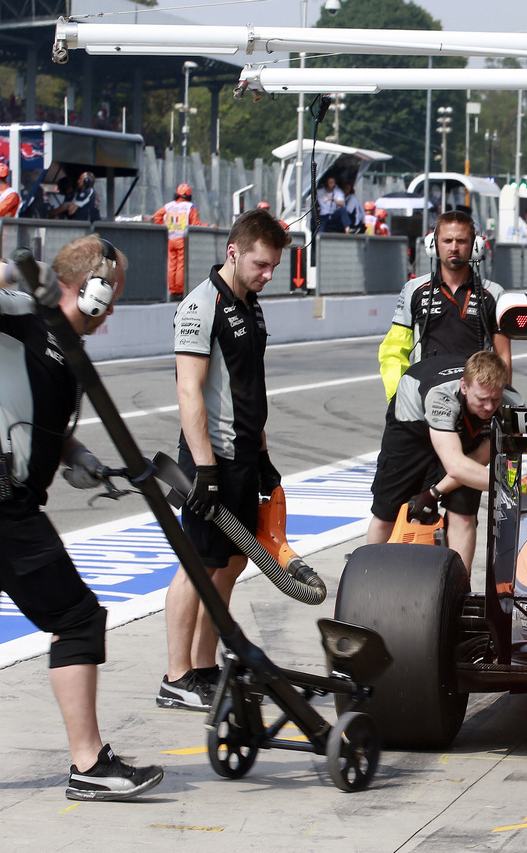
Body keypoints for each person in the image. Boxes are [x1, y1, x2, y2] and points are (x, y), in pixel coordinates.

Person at [0, 235, 164, 800]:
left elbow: (37, 411)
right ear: (92, 289)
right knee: (78, 619)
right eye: (111, 295)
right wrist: (15, 271)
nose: (112, 310)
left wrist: (72, 454)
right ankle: (88, 766)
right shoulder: (21, 313)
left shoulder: (65, 345)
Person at [158, 209, 291, 712]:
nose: (268, 274)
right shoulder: (201, 305)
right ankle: (176, 675)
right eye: (261, 264)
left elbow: (249, 386)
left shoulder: (252, 305)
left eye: (274, 265)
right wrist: (205, 469)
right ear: (233, 252)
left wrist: (262, 453)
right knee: (197, 565)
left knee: (231, 564)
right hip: (207, 460)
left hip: (242, 455)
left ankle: (203, 666)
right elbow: (189, 391)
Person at [366, 351, 521, 571]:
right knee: (387, 511)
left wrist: (433, 492)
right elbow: (456, 466)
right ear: (464, 387)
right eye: (482, 399)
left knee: (464, 514)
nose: (488, 407)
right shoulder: (441, 397)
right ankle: (366, 573)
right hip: (413, 424)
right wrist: (514, 487)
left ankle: (460, 587)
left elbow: (474, 463)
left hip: (463, 434)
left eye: (494, 399)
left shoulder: (511, 406)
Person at [378, 210, 512, 403]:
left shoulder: (494, 293)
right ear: (434, 245)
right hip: (424, 395)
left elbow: (503, 358)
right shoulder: (413, 290)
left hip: (475, 400)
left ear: (475, 246)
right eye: (447, 241)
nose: (454, 248)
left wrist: (501, 405)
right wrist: (398, 398)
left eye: (462, 241)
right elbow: (394, 351)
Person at [152, 183, 204, 302]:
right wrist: (208, 226)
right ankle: (180, 291)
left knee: (172, 265)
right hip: (182, 239)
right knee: (181, 265)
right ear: (189, 195)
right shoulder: (190, 207)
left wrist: (166, 227)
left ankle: (173, 291)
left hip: (171, 238)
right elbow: (195, 224)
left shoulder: (169, 206)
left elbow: (156, 217)